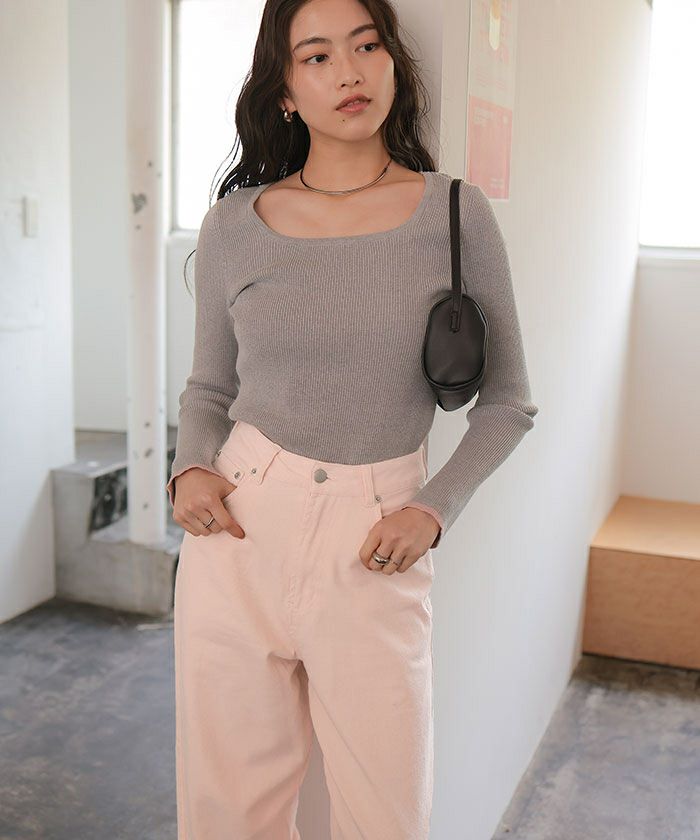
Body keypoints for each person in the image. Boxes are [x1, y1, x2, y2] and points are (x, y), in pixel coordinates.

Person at [167, 0, 539, 837]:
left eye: (367, 46)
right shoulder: (234, 225)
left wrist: (431, 510)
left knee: (385, 816)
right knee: (227, 814)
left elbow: (508, 402)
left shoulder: (453, 213)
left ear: (392, 63)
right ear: (285, 91)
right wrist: (190, 467)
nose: (350, 72)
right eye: (318, 56)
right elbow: (208, 388)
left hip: (376, 537)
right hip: (240, 527)